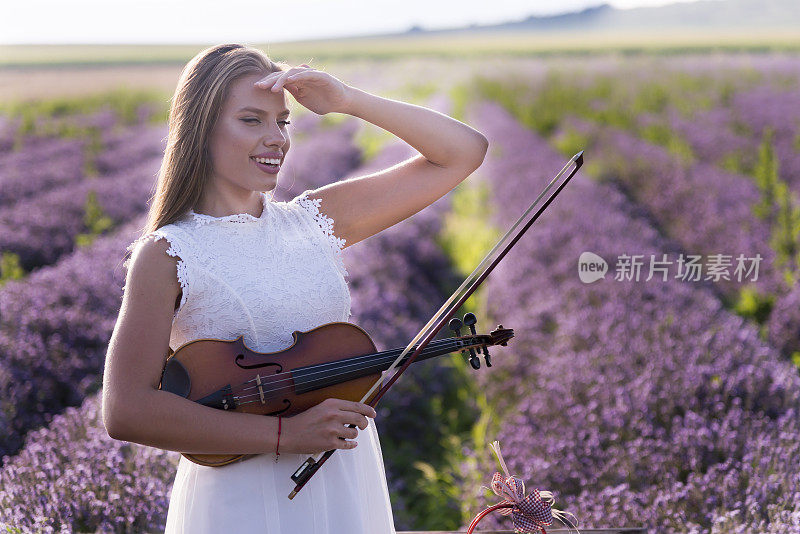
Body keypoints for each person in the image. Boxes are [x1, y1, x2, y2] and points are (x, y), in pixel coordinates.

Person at [101, 43, 488, 533]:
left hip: (342, 472)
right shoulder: (167, 254)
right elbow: (126, 408)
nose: (276, 139)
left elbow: (463, 152)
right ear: (200, 128)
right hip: (243, 497)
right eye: (251, 120)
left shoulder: (316, 220)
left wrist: (348, 99)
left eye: (283, 122)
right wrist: (285, 433)